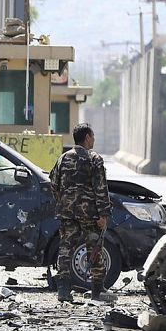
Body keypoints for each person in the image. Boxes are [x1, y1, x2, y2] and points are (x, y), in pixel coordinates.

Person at [49, 123, 113, 303]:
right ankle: (97, 290)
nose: (94, 139)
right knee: (94, 249)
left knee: (65, 249)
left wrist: (64, 202)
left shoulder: (63, 158)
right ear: (87, 137)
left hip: (67, 213)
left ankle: (63, 290)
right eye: (92, 136)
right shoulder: (94, 159)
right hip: (90, 214)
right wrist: (103, 214)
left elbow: (54, 185)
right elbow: (101, 189)